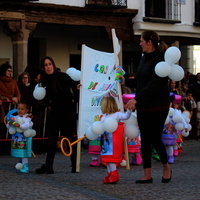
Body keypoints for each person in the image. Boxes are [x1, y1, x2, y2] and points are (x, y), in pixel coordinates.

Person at [126, 30, 172, 184]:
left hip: (158, 105)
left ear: (149, 42)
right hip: (144, 104)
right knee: (145, 139)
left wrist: (135, 99)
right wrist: (124, 81)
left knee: (155, 137)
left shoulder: (161, 59)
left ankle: (166, 167)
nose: (139, 43)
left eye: (141, 40)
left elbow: (154, 85)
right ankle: (147, 174)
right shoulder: (144, 57)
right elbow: (141, 81)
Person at [35, 56, 79, 174]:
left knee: (70, 138)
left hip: (67, 112)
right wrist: (33, 113)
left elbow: (75, 86)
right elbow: (44, 100)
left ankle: (75, 165)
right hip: (55, 112)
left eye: (50, 64)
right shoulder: (44, 82)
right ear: (43, 68)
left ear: (53, 65)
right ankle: (49, 166)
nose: (48, 67)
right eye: (45, 65)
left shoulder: (62, 76)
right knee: (51, 140)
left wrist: (75, 98)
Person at [100, 96, 132, 184]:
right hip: (106, 142)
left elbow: (126, 117)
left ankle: (114, 174)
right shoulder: (103, 117)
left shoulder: (117, 114)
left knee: (112, 159)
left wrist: (129, 110)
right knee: (108, 159)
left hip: (113, 142)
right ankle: (110, 173)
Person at [6, 101, 33, 173]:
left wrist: (20, 125)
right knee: (18, 151)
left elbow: (27, 125)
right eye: (19, 109)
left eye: (22, 109)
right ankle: (21, 162)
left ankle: (25, 166)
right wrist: (9, 123)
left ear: (26, 110)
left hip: (24, 139)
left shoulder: (27, 118)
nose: (20, 111)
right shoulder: (15, 117)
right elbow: (8, 126)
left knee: (23, 152)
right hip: (16, 138)